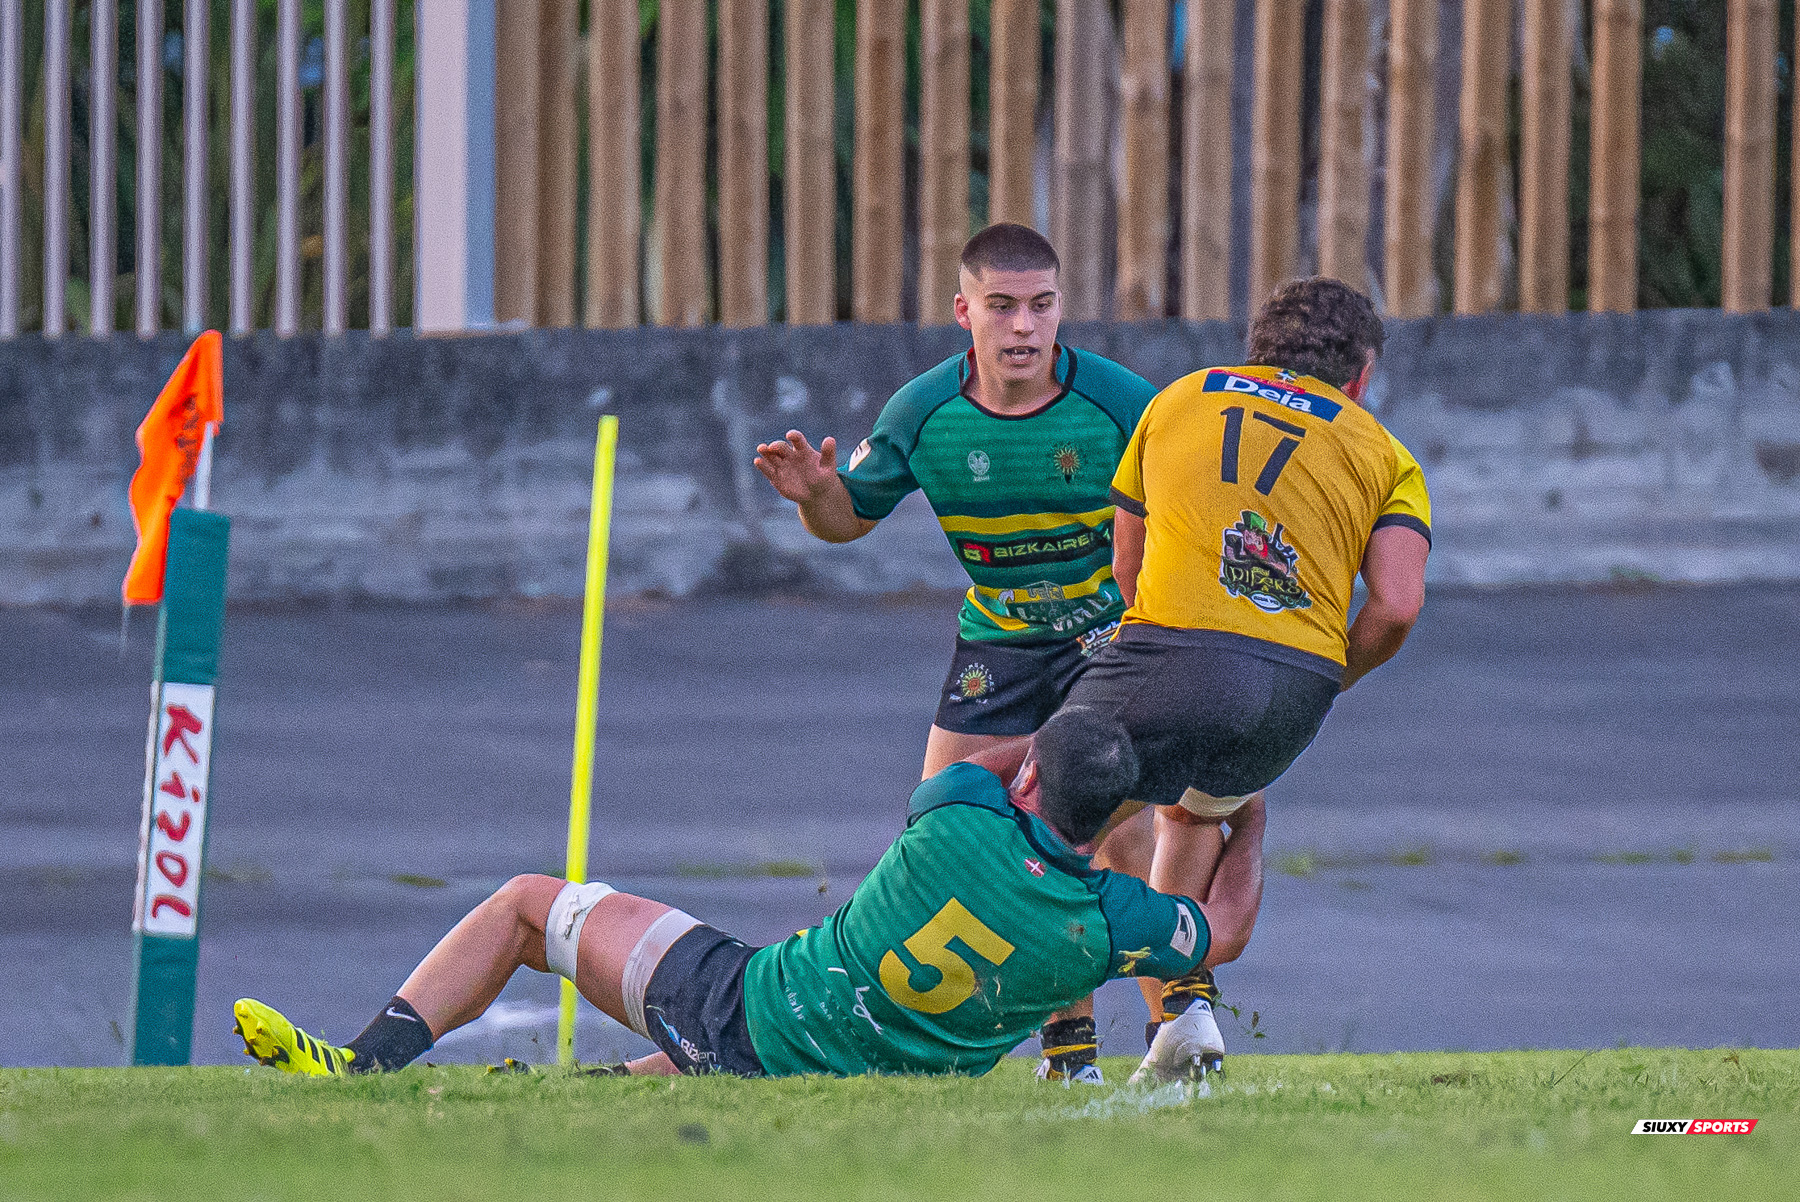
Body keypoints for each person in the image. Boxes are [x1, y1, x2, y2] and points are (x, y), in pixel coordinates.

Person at [232, 708, 1264, 1085]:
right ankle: (551, 1089)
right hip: (836, 1075)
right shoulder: (1105, 924)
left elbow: (984, 762)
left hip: (747, 1005)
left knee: (526, 906)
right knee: (637, 1090)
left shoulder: (958, 812)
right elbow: (1224, 926)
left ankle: (360, 1065)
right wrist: (1247, 810)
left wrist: (1049, 730)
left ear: (1031, 778)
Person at [752, 223, 1163, 1080]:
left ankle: (1184, 1037)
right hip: (998, 647)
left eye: (1041, 307)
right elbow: (846, 522)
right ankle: (1067, 1058)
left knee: (1122, 837)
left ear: (1061, 310)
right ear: (963, 312)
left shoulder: (1125, 404)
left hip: (1106, 639)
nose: (1023, 328)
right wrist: (817, 497)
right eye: (1003, 307)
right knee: (946, 831)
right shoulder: (923, 410)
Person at [1060, 276, 1431, 1072]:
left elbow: (1127, 561)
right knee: (1196, 820)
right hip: (1293, 687)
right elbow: (1397, 607)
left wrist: (1167, 658)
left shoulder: (1179, 398)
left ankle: (1064, 1053)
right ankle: (1186, 1022)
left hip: (1169, 650)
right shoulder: (1386, 452)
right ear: (1360, 376)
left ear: (1256, 349)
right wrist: (1328, 677)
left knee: (1044, 822)